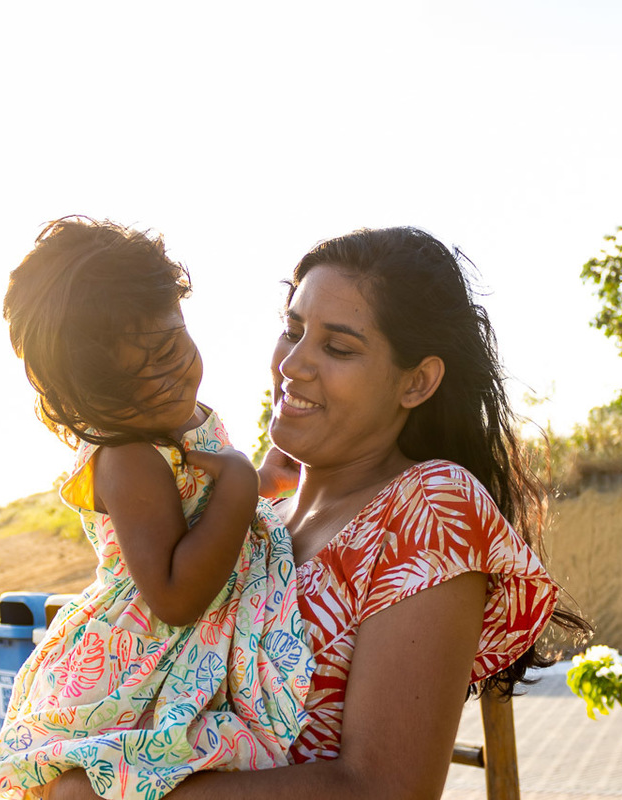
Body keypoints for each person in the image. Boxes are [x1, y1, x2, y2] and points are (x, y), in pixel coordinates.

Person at [43, 225, 590, 799]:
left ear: (417, 381)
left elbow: (386, 789)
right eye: (293, 330)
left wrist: (107, 794)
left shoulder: (427, 509)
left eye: (339, 347)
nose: (294, 364)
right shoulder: (258, 520)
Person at [0, 217, 314, 800]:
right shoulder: (129, 455)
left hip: (177, 651)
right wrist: (236, 486)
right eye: (141, 372)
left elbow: (198, 505)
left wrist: (254, 479)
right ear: (94, 392)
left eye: (173, 344)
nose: (172, 375)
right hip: (138, 671)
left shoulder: (168, 424)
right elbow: (176, 596)